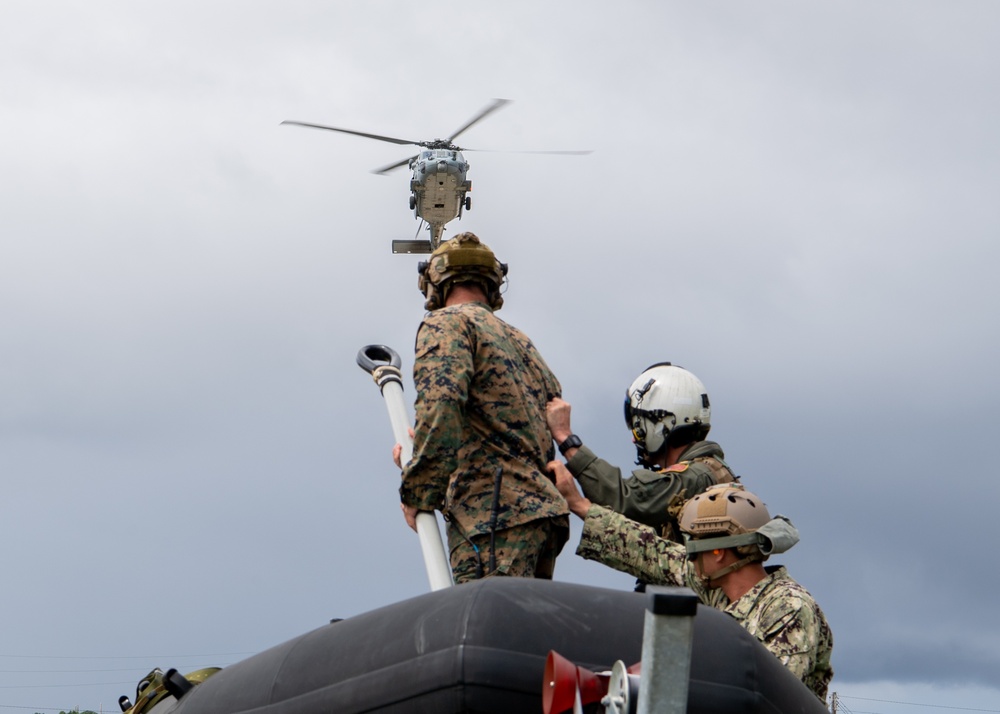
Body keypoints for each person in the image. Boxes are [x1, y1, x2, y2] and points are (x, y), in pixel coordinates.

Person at [550, 471, 834, 702]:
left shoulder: (788, 608)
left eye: (693, 544)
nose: (688, 556)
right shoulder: (717, 588)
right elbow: (652, 553)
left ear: (718, 552)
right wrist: (579, 505)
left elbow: (769, 699)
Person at [399, 232, 569, 583]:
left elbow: (442, 404)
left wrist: (420, 489)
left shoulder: (447, 324)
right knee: (524, 637)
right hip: (542, 517)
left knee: (488, 633)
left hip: (493, 518)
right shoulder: (523, 344)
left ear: (434, 284)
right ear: (494, 286)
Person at [547, 362, 737, 540]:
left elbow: (625, 499)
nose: (633, 439)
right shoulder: (707, 473)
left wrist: (566, 439)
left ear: (663, 423)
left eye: (638, 429)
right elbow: (643, 545)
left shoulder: (696, 478)